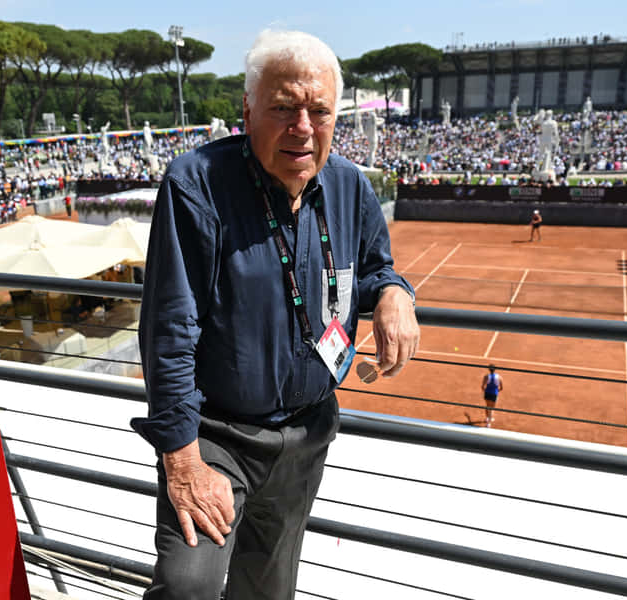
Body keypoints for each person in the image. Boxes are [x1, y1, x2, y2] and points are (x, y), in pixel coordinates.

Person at [131, 30, 420, 600]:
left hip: (306, 433)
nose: (303, 127)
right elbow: (170, 328)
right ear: (247, 110)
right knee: (187, 587)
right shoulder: (197, 184)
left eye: (320, 111)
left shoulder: (350, 186)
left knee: (267, 592)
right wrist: (183, 461)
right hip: (215, 435)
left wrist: (394, 294)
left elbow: (374, 268)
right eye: (284, 108)